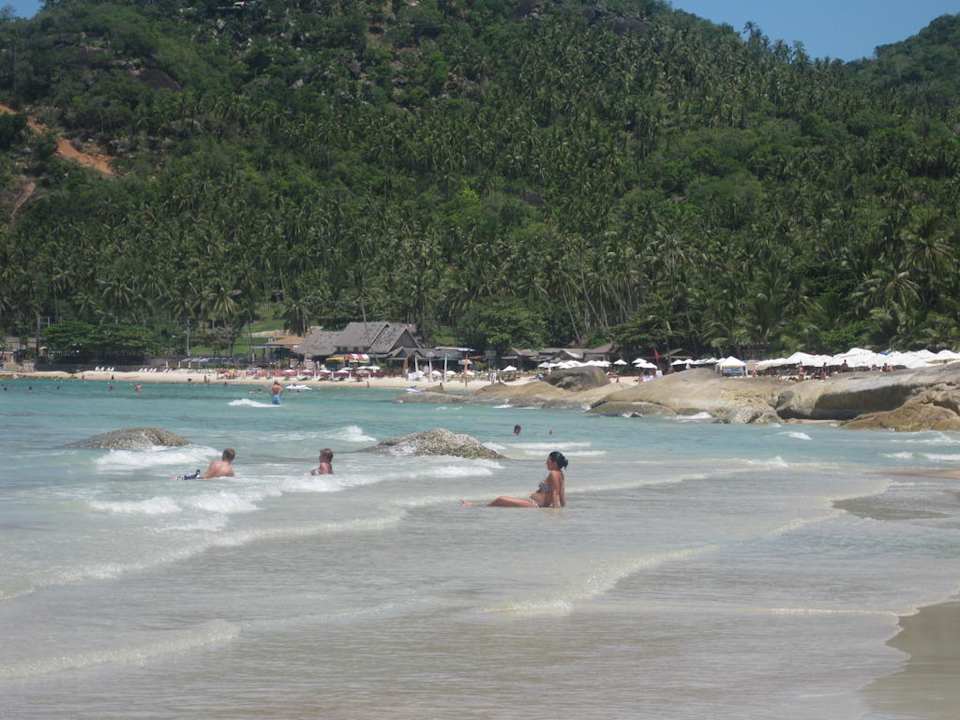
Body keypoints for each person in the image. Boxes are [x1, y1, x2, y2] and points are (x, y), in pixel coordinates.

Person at [472, 451, 568, 508]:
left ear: (554, 463)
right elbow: (561, 494)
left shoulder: (553, 473)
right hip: (535, 503)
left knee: (500, 499)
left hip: (535, 504)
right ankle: (478, 506)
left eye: (548, 460)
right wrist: (563, 509)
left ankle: (478, 507)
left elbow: (556, 494)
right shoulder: (560, 474)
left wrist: (556, 512)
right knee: (501, 502)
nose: (546, 462)